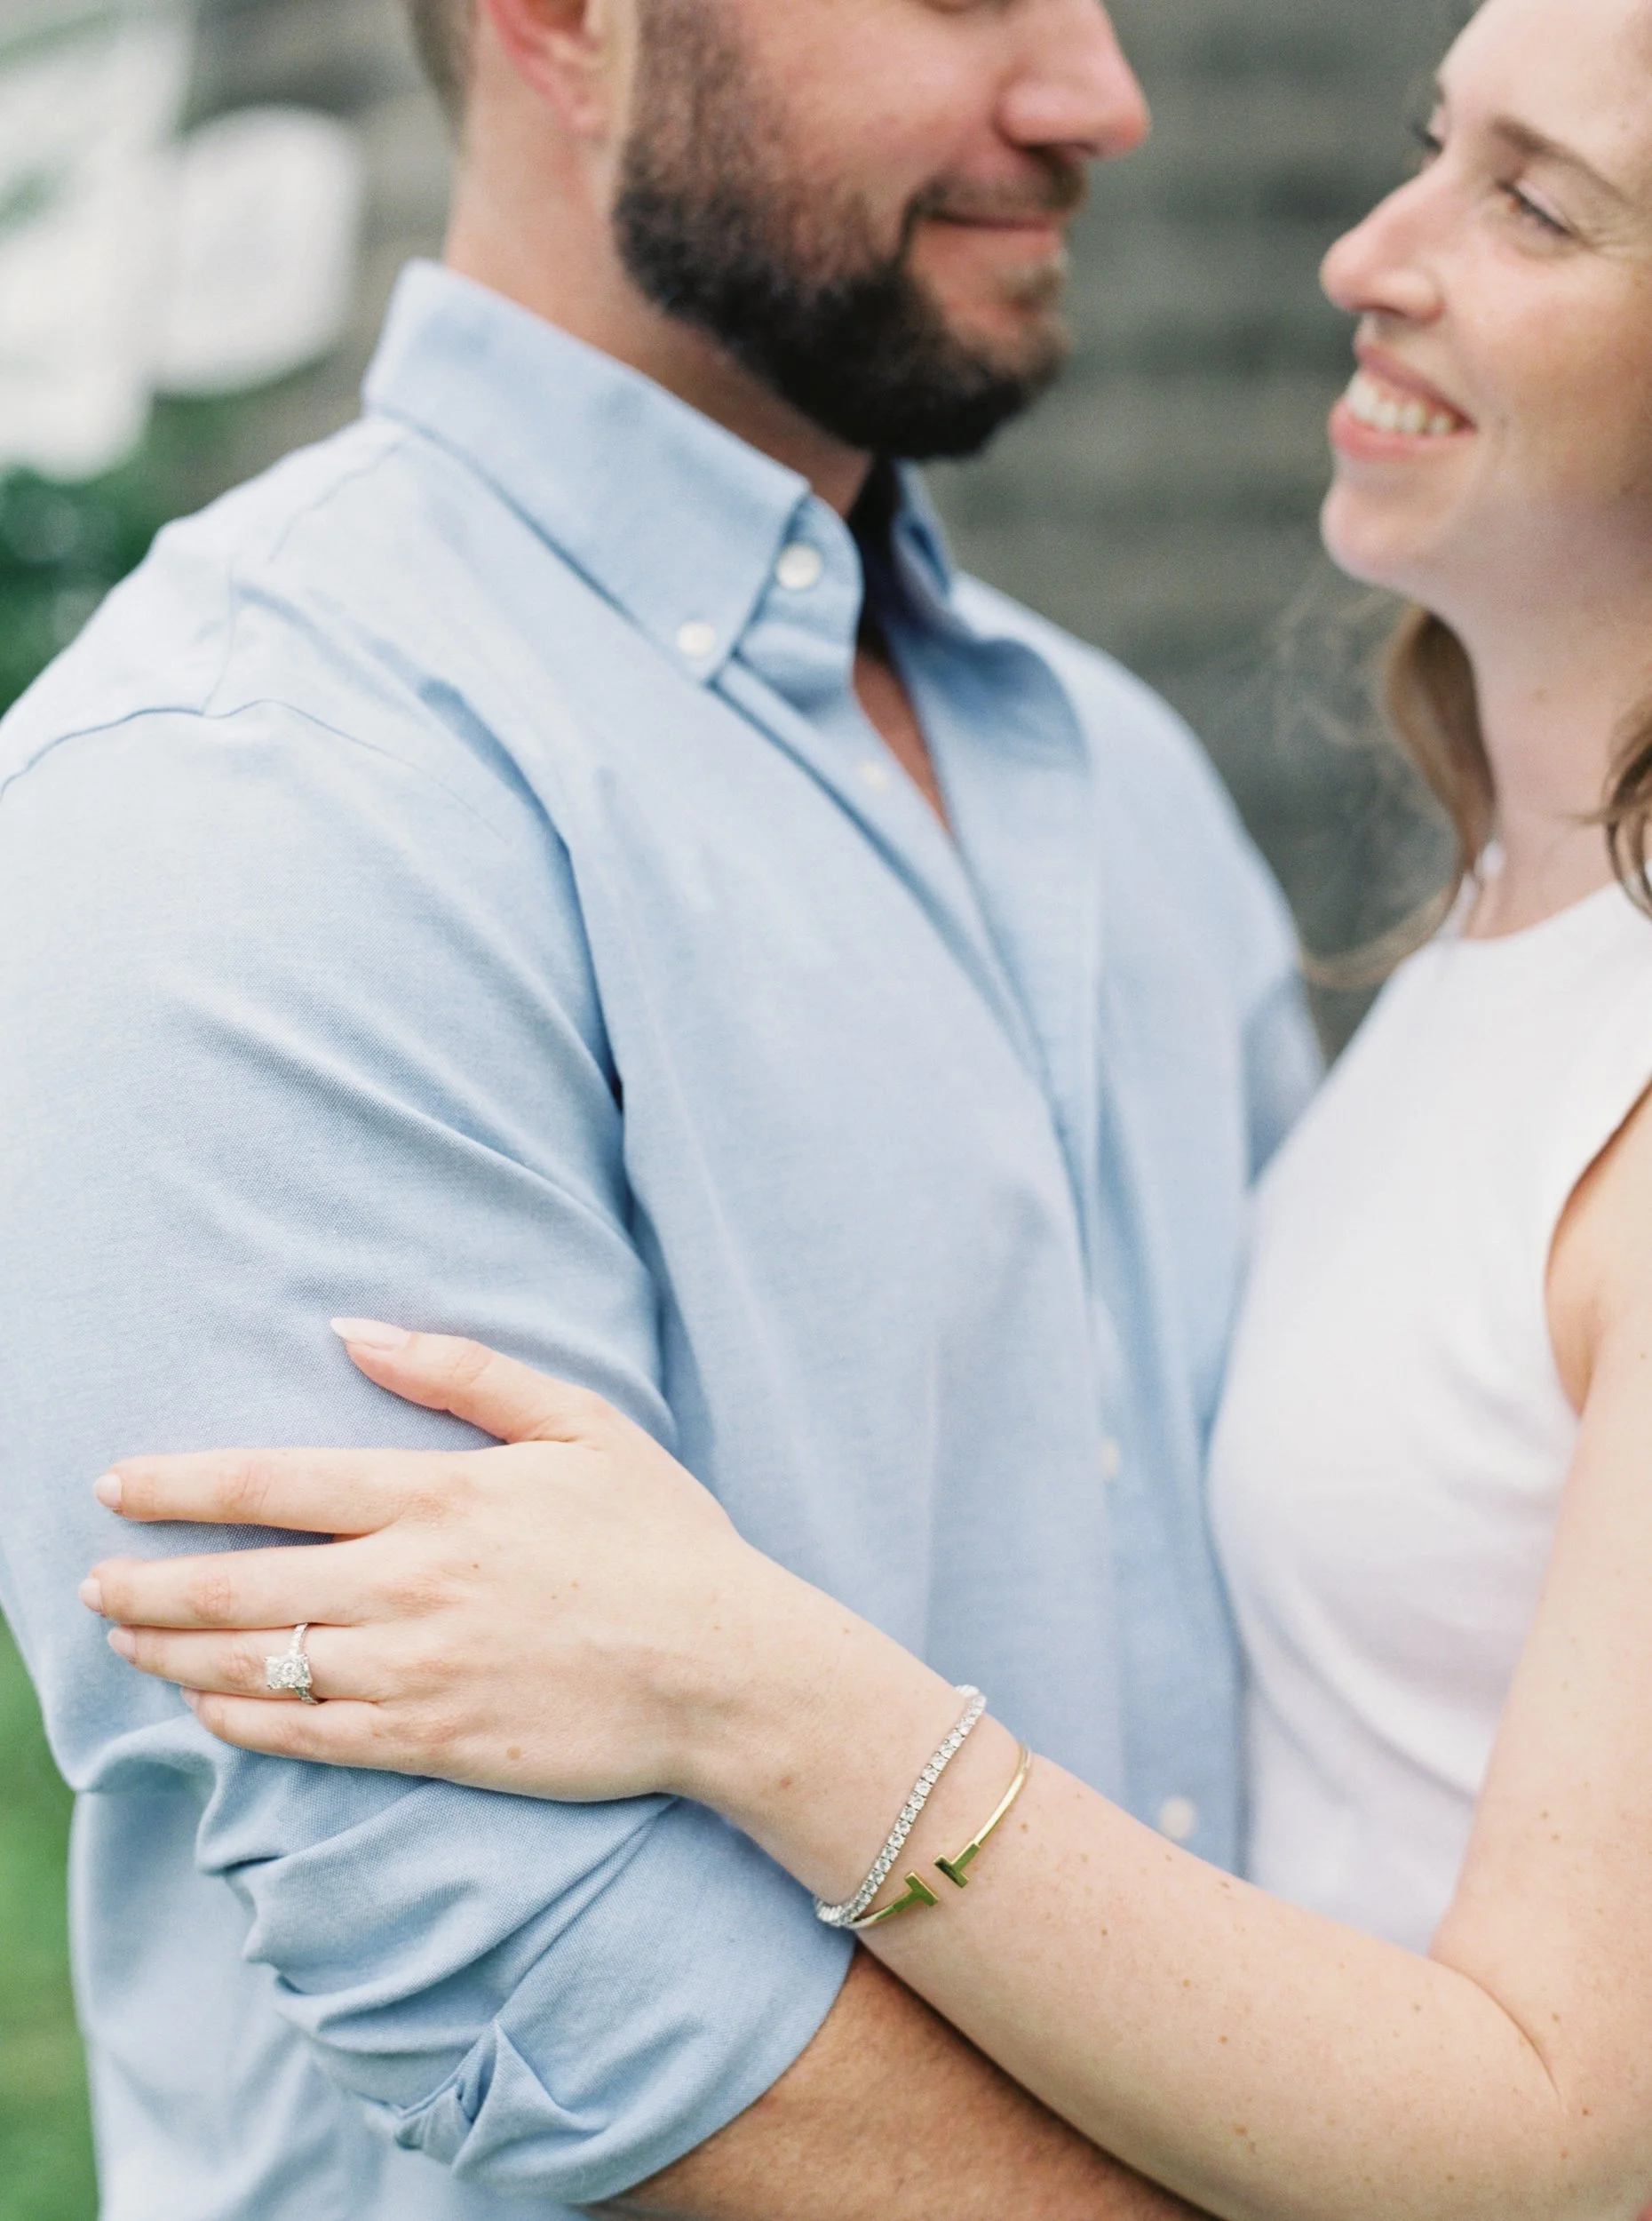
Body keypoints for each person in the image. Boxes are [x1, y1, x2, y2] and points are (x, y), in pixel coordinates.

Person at [75, 0, 1652, 2213]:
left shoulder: (1123, 795)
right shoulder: (254, 783)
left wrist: (757, 1683)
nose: (1099, 95)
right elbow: (516, 1953)